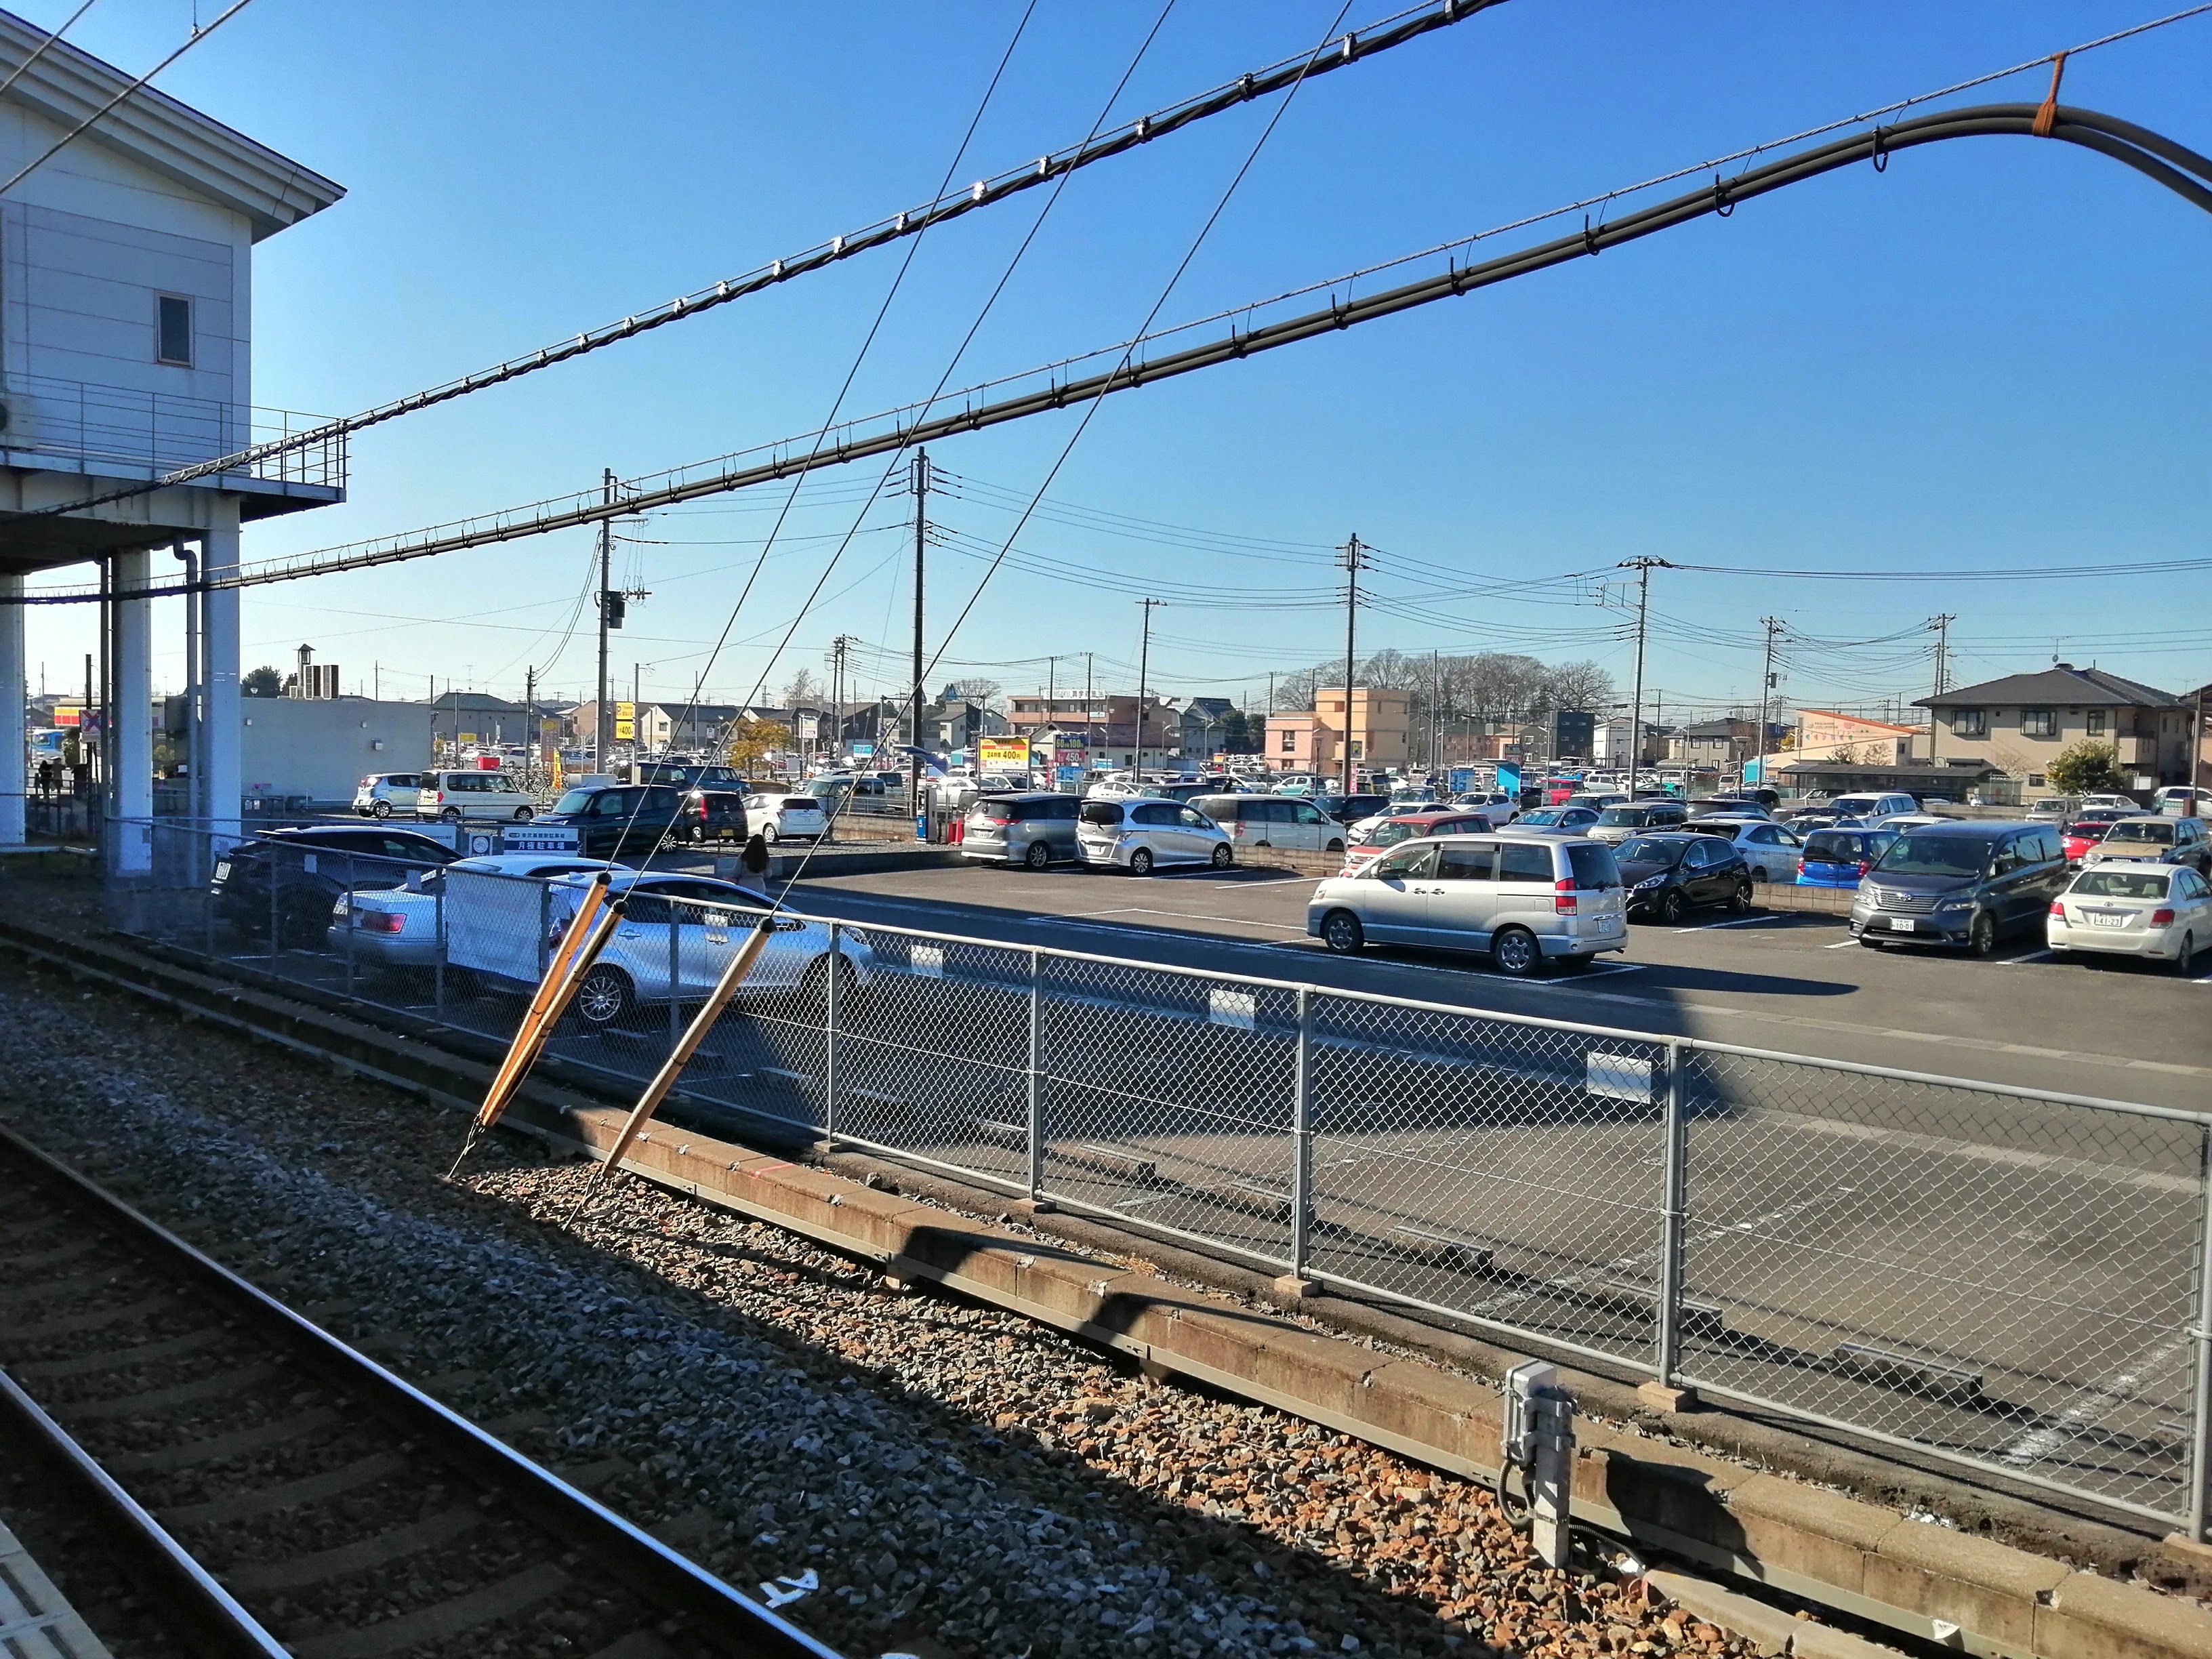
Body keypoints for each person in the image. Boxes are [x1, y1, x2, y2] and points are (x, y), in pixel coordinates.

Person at [735, 832, 771, 899]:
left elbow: (736, 872)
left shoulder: (744, 856)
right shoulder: (765, 857)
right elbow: (768, 874)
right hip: (759, 885)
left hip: (744, 885)